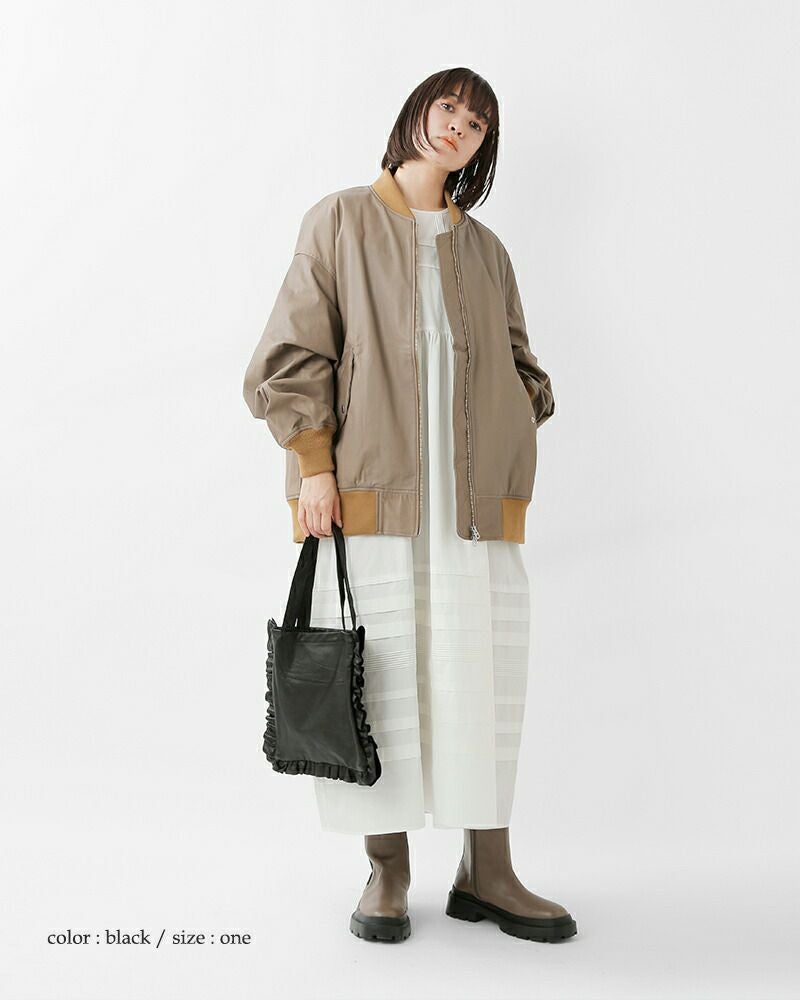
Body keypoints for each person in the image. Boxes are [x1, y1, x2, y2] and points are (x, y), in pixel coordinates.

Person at [242, 67, 577, 944]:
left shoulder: (488, 251)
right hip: (371, 499)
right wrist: (315, 466)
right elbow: (292, 354)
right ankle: (387, 870)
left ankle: (488, 872)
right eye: (448, 107)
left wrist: (515, 415)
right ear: (417, 113)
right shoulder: (341, 220)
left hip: (471, 513)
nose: (459, 125)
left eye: (477, 122)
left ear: (484, 146)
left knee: (479, 679)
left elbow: (524, 367)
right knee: (380, 680)